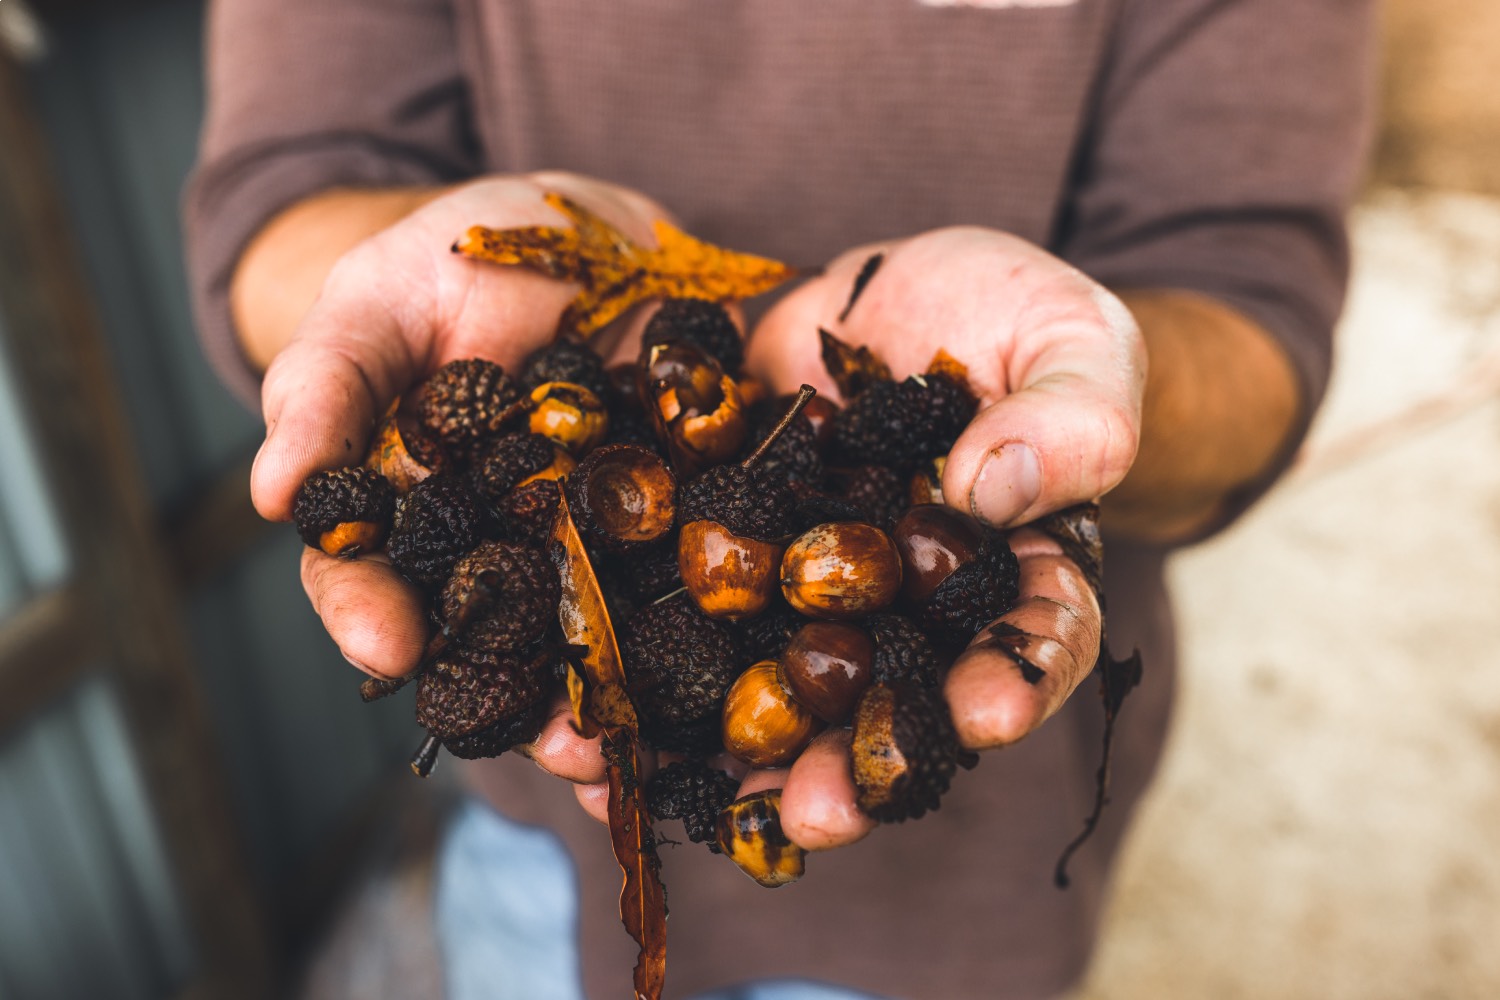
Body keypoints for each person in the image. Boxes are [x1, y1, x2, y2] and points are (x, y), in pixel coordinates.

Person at [185, 2, 1375, 997]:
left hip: (964, 913)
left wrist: (1071, 398)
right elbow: (286, 186)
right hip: (538, 847)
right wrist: (414, 281)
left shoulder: (808, 556)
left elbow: (1249, 305)